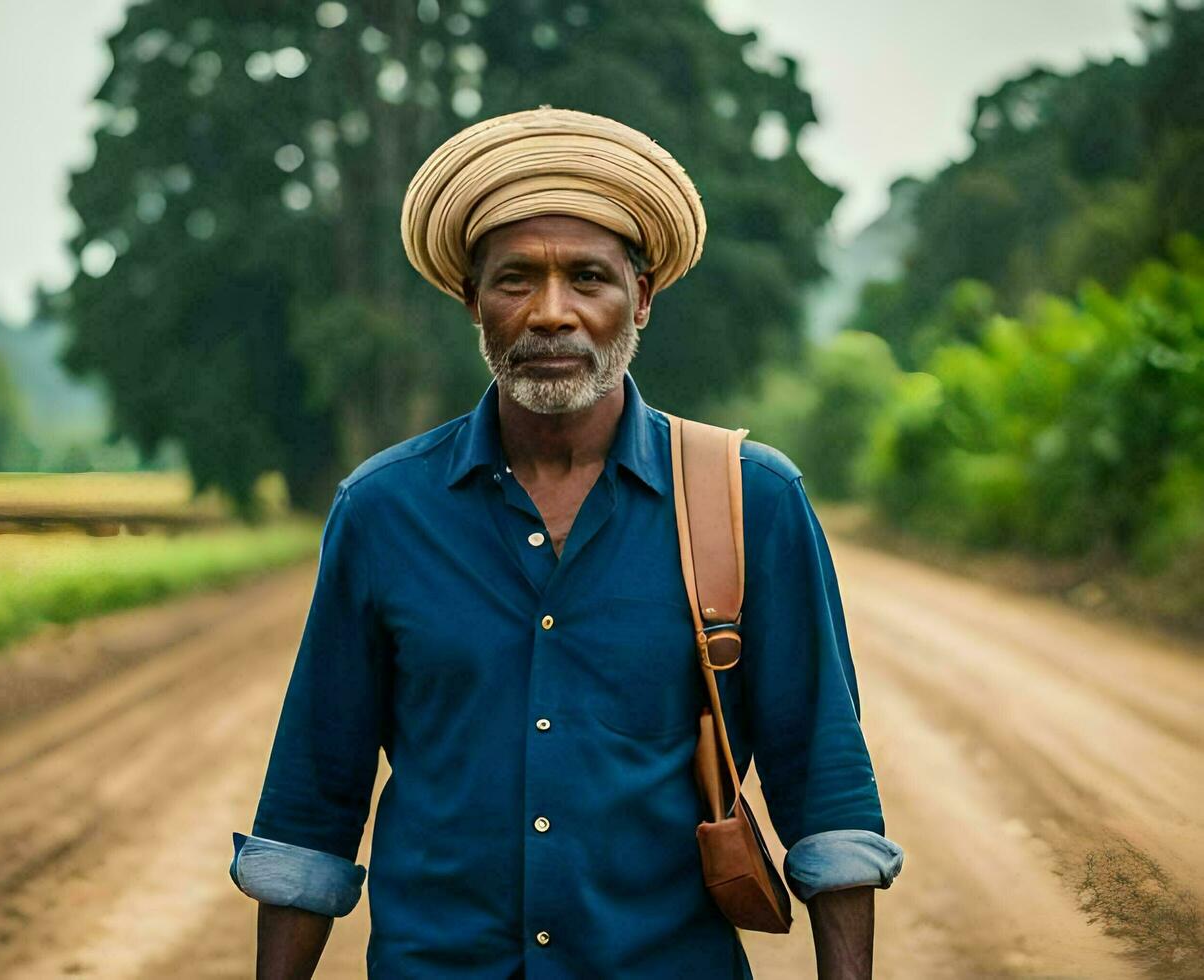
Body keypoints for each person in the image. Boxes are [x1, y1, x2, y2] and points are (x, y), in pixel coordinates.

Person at [230, 106, 903, 978]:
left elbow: (828, 788)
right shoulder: (383, 510)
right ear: (473, 300)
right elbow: (312, 803)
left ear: (642, 297)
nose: (552, 313)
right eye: (516, 280)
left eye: (588, 276)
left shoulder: (751, 499)